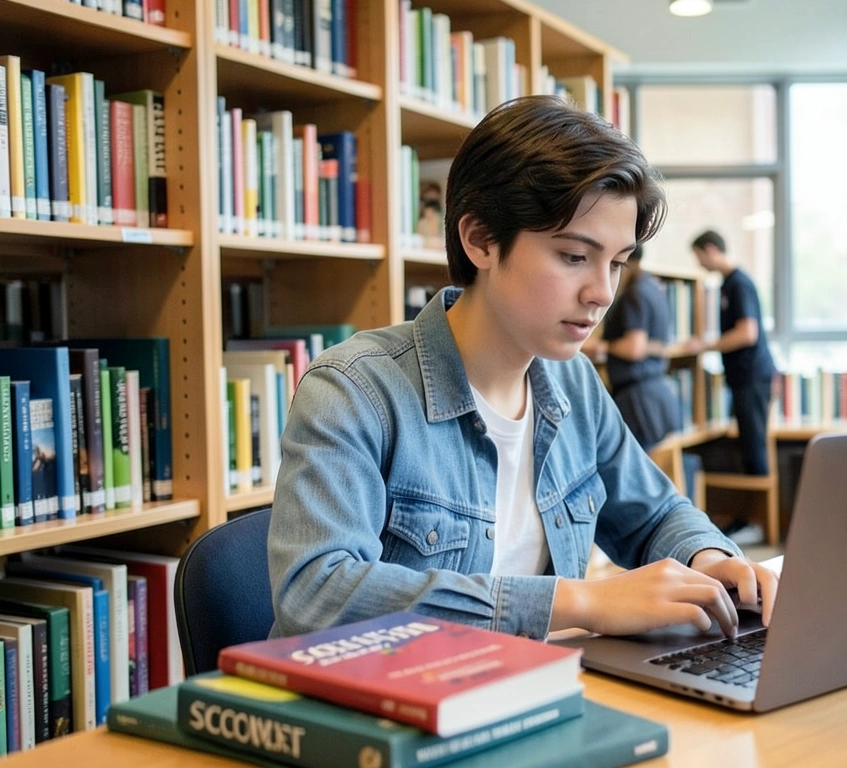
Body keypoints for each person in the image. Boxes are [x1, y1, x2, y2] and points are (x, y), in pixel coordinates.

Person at [268, 95, 778, 644]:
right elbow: (316, 593)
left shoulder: (573, 383)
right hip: (382, 712)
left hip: (526, 693)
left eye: (617, 263)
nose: (602, 293)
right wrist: (580, 601)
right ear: (481, 240)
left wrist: (712, 559)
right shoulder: (354, 389)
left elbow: (654, 515)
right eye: (574, 257)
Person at [685, 231, 777, 545]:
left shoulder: (739, 283)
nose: (699, 263)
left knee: (754, 448)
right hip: (742, 378)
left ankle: (758, 523)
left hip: (752, 377)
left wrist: (706, 346)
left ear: (711, 250)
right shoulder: (728, 284)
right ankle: (747, 520)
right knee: (746, 448)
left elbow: (747, 333)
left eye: (699, 256)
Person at [595, 244, 683, 450]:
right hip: (658, 394)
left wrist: (601, 347)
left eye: (616, 265)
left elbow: (634, 347)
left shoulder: (635, 294)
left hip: (638, 400)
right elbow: (657, 345)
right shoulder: (656, 289)